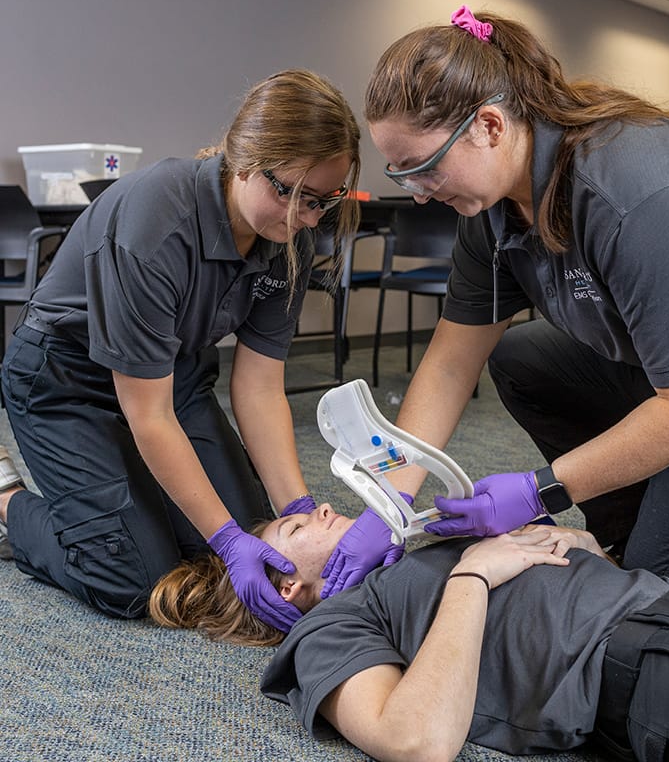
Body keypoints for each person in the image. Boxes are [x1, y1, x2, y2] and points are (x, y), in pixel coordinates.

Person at [361, 5, 669, 590]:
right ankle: (636, 524)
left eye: (423, 168)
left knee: (662, 600)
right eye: (400, 174)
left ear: (489, 127)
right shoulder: (486, 211)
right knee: (523, 357)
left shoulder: (636, 188)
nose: (417, 194)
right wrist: (387, 504)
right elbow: (447, 366)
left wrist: (542, 489)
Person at [0, 69, 401, 628]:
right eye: (290, 194)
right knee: (135, 577)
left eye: (322, 201)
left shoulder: (291, 234)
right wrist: (227, 539)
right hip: (66, 382)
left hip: (174, 375)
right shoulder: (156, 223)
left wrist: (297, 509)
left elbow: (259, 387)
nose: (305, 218)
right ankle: (7, 497)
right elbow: (149, 414)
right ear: (243, 160)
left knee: (246, 531)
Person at [148, 501, 669, 762]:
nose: (320, 506)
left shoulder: (411, 547)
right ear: (288, 587)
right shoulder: (330, 626)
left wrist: (578, 542)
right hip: (668, 665)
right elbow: (413, 739)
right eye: (297, 529)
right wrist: (473, 576)